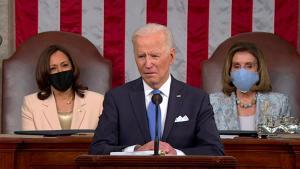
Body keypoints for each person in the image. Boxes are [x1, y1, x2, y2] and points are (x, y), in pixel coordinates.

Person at [89, 23, 224, 156]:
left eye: (154, 56)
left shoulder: (196, 99)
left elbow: (214, 150)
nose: (147, 64)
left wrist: (177, 154)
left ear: (171, 57)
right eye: (141, 56)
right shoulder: (117, 98)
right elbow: (98, 149)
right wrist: (135, 151)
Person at [209, 42, 291, 131]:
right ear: (229, 70)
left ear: (259, 70)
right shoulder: (213, 103)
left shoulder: (280, 103)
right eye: (237, 66)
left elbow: (284, 141)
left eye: (249, 66)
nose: (242, 72)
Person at [21, 45, 104, 130]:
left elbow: (104, 140)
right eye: (53, 68)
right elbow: (29, 142)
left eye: (64, 65)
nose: (60, 71)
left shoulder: (98, 101)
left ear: (72, 67)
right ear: (45, 73)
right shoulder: (30, 103)